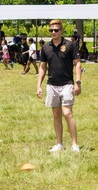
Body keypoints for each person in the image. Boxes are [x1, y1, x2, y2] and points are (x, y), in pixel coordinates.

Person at [35, 19, 82, 152]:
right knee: (56, 115)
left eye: (56, 30)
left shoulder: (70, 45)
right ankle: (59, 144)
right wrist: (39, 85)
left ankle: (74, 145)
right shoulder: (45, 48)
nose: (53, 32)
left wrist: (78, 82)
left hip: (67, 84)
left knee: (67, 113)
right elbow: (42, 67)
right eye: (51, 30)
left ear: (61, 31)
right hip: (52, 85)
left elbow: (77, 64)